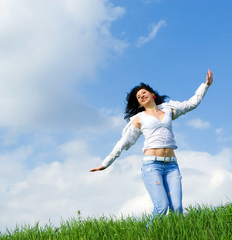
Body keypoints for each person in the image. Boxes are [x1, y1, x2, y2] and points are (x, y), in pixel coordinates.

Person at [90, 69, 213, 221]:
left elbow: (191, 104)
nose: (141, 96)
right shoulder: (139, 118)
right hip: (151, 165)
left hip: (172, 165)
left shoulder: (168, 110)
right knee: (161, 206)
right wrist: (105, 163)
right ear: (140, 104)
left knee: (177, 208)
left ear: (152, 94)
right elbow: (123, 143)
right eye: (138, 97)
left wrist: (206, 85)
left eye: (143, 93)